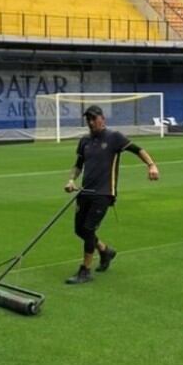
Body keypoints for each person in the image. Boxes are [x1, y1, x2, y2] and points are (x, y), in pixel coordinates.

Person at [63, 104, 159, 284]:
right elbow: (78, 165)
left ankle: (85, 271)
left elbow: (138, 150)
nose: (91, 122)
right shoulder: (84, 141)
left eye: (94, 118)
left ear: (102, 119)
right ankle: (105, 251)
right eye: (88, 119)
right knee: (79, 229)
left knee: (89, 229)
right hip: (85, 192)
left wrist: (151, 165)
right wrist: (71, 180)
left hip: (104, 193)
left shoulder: (114, 138)